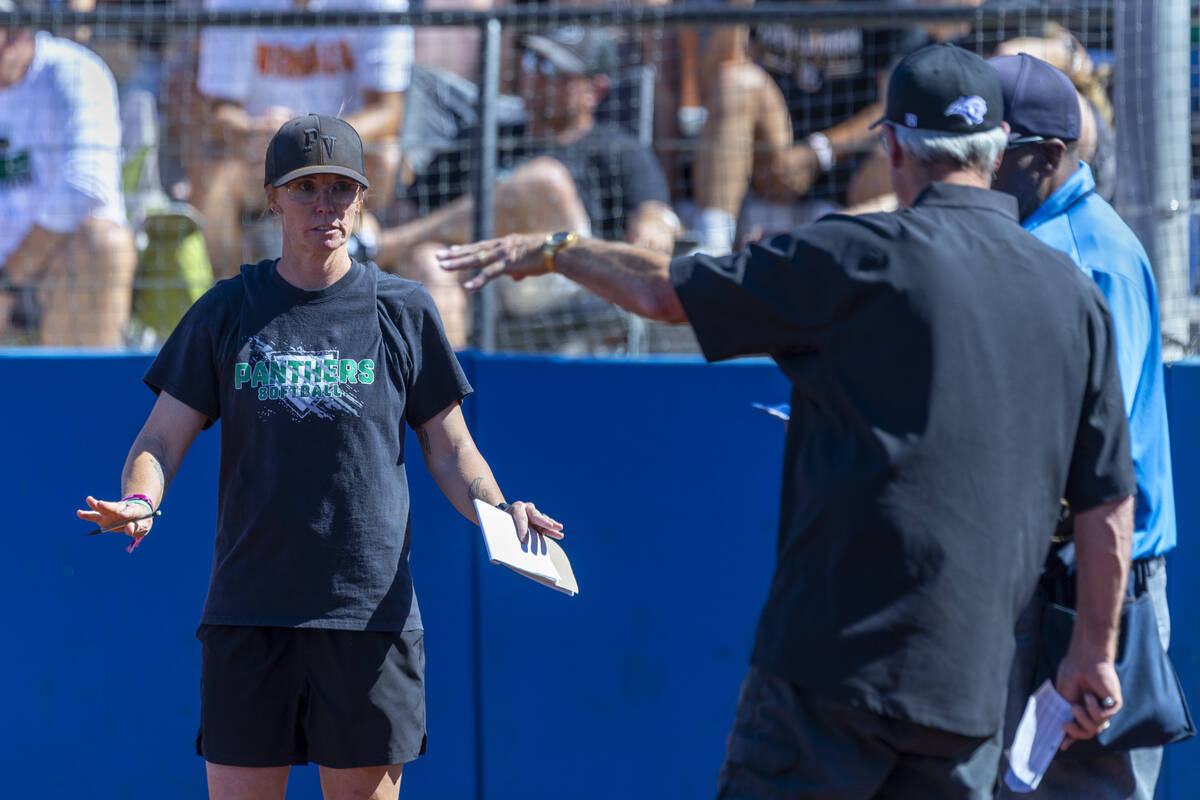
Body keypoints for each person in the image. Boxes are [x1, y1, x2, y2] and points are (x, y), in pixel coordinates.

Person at [438, 43, 1136, 798]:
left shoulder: (854, 257)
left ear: (894, 147)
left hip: (828, 677)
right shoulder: (1075, 295)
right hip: (968, 687)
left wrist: (557, 249)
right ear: (997, 150)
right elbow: (1107, 503)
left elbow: (665, 294)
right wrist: (1094, 653)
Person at [75, 113, 563, 800]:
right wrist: (140, 500)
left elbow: (452, 450)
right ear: (273, 196)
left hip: (366, 618)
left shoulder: (404, 310)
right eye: (307, 188)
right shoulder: (226, 310)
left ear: (362, 200)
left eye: (342, 188)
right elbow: (159, 439)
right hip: (249, 614)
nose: (326, 205)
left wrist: (499, 510)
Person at [990, 53, 1177, 800]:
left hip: (1092, 586)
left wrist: (1091, 638)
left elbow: (1100, 456)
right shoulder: (1019, 238)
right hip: (1035, 577)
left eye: (995, 153)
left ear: (1051, 156)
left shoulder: (1093, 254)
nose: (978, 169)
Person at [375, 26, 680, 348]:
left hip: (565, 273)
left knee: (542, 181)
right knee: (429, 261)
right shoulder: (485, 137)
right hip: (487, 278)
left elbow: (655, 211)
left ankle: (382, 246)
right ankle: (454, 392)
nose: (534, 76)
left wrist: (655, 226)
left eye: (552, 69)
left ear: (595, 90)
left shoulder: (617, 146)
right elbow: (408, 207)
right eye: (531, 61)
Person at [190, 0, 412, 278]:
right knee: (212, 175)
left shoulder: (379, 4)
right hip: (261, 159)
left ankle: (362, 261)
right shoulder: (230, 4)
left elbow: (390, 111)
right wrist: (254, 130)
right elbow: (216, 111)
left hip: (346, 159)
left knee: (386, 158)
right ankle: (231, 297)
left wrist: (317, 136)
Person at [690, 0, 926, 254]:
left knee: (895, 163)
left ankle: (874, 264)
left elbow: (891, 106)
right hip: (774, 155)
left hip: (851, 161)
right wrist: (738, 10)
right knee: (734, 82)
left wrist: (819, 152)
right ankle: (712, 247)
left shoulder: (887, 6)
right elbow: (713, 86)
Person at [0, 12, 137, 346]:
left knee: (102, 244)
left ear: (16, 34)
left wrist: (7, 283)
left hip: (51, 268)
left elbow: (87, 184)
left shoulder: (74, 71)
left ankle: (84, 396)